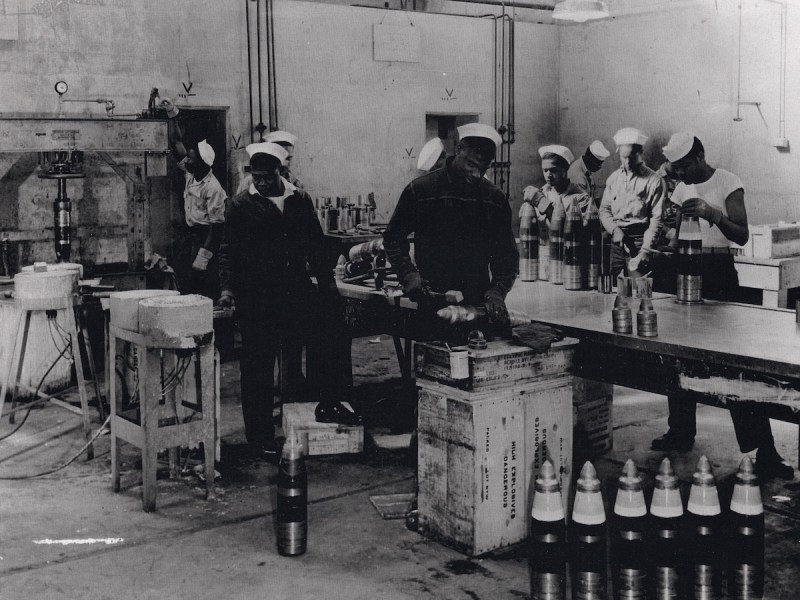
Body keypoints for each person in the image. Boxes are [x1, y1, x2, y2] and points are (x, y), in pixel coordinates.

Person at [651, 132, 793, 480]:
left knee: (734, 365)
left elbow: (742, 234)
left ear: (699, 156)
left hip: (719, 273)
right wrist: (663, 240)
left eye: (684, 167)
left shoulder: (728, 181)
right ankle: (681, 431)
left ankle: (765, 451)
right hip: (685, 269)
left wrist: (712, 213)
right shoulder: (681, 188)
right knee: (679, 353)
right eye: (676, 169)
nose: (681, 174)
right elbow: (676, 234)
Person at [218, 142, 359, 460]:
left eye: (267, 177)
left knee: (325, 342)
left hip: (295, 290)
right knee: (257, 366)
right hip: (257, 295)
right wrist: (227, 290)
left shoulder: (299, 200)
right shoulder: (241, 205)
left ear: (280, 172)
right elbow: (228, 251)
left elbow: (316, 245)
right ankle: (260, 437)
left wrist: (328, 288)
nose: (262, 183)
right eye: (256, 177)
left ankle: (324, 410)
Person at [384, 123, 518, 344]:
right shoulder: (421, 191)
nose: (477, 173)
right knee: (432, 367)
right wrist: (409, 275)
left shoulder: (494, 200)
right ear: (458, 149)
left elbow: (507, 257)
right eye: (472, 163)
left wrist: (498, 291)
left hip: (476, 306)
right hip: (431, 302)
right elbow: (393, 237)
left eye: (484, 167)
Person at [599, 127, 665, 278]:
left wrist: (646, 250)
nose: (627, 162)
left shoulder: (654, 181)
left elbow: (657, 219)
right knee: (617, 290)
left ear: (640, 153)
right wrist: (614, 229)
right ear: (618, 154)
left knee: (640, 289)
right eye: (623, 157)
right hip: (617, 242)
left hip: (641, 242)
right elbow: (605, 210)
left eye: (631, 157)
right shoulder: (613, 179)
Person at [180, 140, 227, 299]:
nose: (187, 161)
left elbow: (217, 227)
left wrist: (203, 256)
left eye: (191, 159)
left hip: (205, 237)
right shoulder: (190, 175)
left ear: (202, 164)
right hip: (191, 234)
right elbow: (178, 147)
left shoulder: (213, 188)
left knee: (202, 279)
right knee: (187, 276)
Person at [524, 145, 592, 225]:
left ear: (564, 170)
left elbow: (572, 231)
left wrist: (545, 205)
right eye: (545, 170)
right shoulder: (542, 193)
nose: (548, 175)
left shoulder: (580, 199)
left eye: (553, 170)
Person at [567, 140, 610, 205]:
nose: (600, 167)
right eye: (598, 164)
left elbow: (594, 196)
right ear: (589, 159)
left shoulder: (584, 168)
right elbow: (585, 206)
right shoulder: (578, 177)